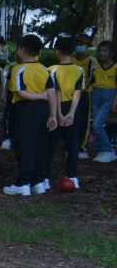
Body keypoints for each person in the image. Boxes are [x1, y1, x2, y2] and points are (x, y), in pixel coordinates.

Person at [2, 35, 54, 196]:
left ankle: (23, 183)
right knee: (40, 145)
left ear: (22, 50)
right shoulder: (45, 69)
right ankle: (38, 182)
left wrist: (40, 96)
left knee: (24, 145)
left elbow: (21, 93)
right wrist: (52, 114)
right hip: (44, 109)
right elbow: (52, 93)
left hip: (25, 109)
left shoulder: (18, 69)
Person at [45, 37, 83, 190]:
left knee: (50, 144)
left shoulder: (51, 69)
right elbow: (77, 93)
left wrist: (58, 114)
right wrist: (71, 113)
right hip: (73, 109)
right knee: (72, 144)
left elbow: (55, 93)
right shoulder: (79, 70)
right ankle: (72, 176)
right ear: (73, 52)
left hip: (55, 109)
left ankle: (43, 177)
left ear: (57, 51)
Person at [91, 41, 117, 164]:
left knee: (97, 124)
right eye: (100, 50)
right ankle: (101, 151)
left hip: (109, 95)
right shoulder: (96, 68)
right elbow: (90, 82)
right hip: (96, 95)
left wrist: (115, 101)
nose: (101, 53)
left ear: (112, 53)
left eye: (105, 51)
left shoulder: (115, 67)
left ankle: (109, 151)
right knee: (98, 125)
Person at [72, 31, 96, 160]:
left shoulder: (91, 60)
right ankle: (72, 146)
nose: (78, 46)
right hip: (71, 94)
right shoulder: (72, 59)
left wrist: (81, 90)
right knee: (73, 119)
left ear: (87, 46)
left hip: (85, 94)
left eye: (81, 44)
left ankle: (82, 148)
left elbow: (92, 77)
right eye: (77, 43)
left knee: (83, 120)